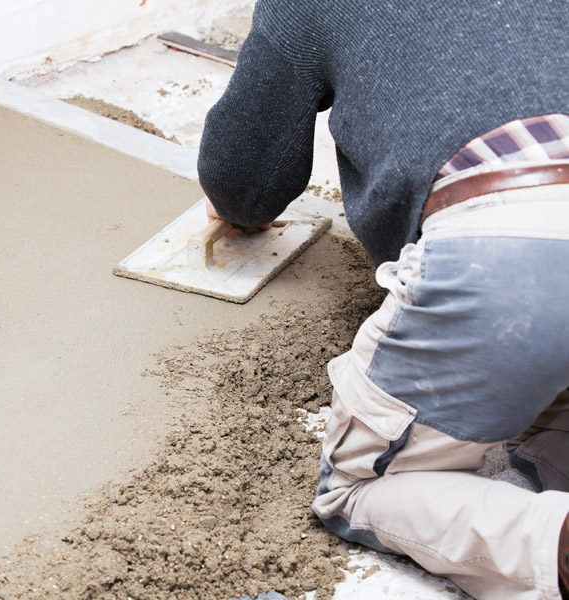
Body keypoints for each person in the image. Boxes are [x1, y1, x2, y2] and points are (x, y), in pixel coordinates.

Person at [196, 2, 569, 599]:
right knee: (546, 427)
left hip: (505, 247)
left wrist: (233, 204)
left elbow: (247, 176)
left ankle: (557, 545)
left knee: (356, 490)